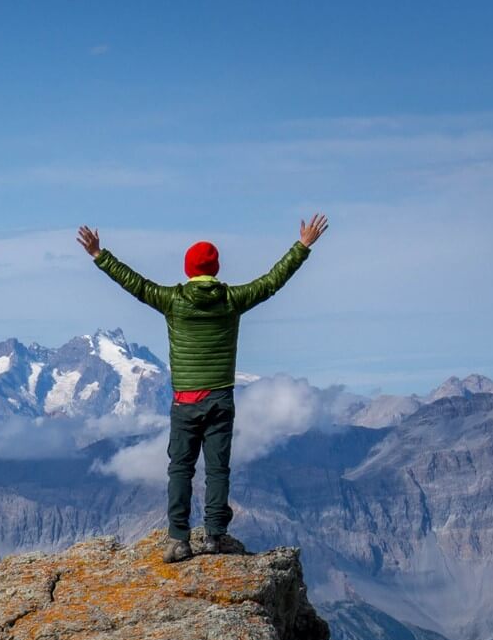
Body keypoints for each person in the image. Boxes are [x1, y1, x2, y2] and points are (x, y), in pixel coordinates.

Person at [76, 215, 328, 563]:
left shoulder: (173, 300)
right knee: (217, 469)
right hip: (221, 398)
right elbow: (272, 282)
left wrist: (99, 255)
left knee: (180, 468)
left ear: (188, 269)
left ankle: (179, 539)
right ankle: (215, 536)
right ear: (217, 267)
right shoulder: (232, 299)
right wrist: (302, 246)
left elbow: (134, 284)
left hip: (184, 401)